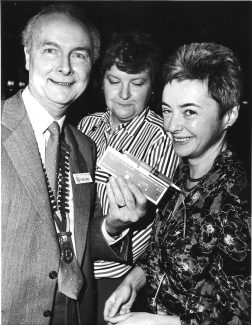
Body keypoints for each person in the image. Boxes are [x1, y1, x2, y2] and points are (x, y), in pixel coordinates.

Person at [1, 4, 147, 325]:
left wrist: (114, 224)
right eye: (50, 50)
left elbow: (79, 238)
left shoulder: (84, 146)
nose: (65, 68)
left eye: (79, 55)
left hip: (78, 312)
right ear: (28, 57)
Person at [103, 42, 251, 325]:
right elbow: (161, 254)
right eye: (167, 110)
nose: (171, 125)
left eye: (190, 112)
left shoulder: (239, 201)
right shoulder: (183, 173)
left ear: (229, 115)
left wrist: (157, 323)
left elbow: (240, 317)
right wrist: (131, 283)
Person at [78, 30, 180, 324]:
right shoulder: (87, 125)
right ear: (101, 83)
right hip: (73, 270)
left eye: (136, 83)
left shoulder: (163, 137)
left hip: (118, 280)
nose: (123, 94)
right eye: (114, 81)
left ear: (152, 89)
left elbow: (151, 223)